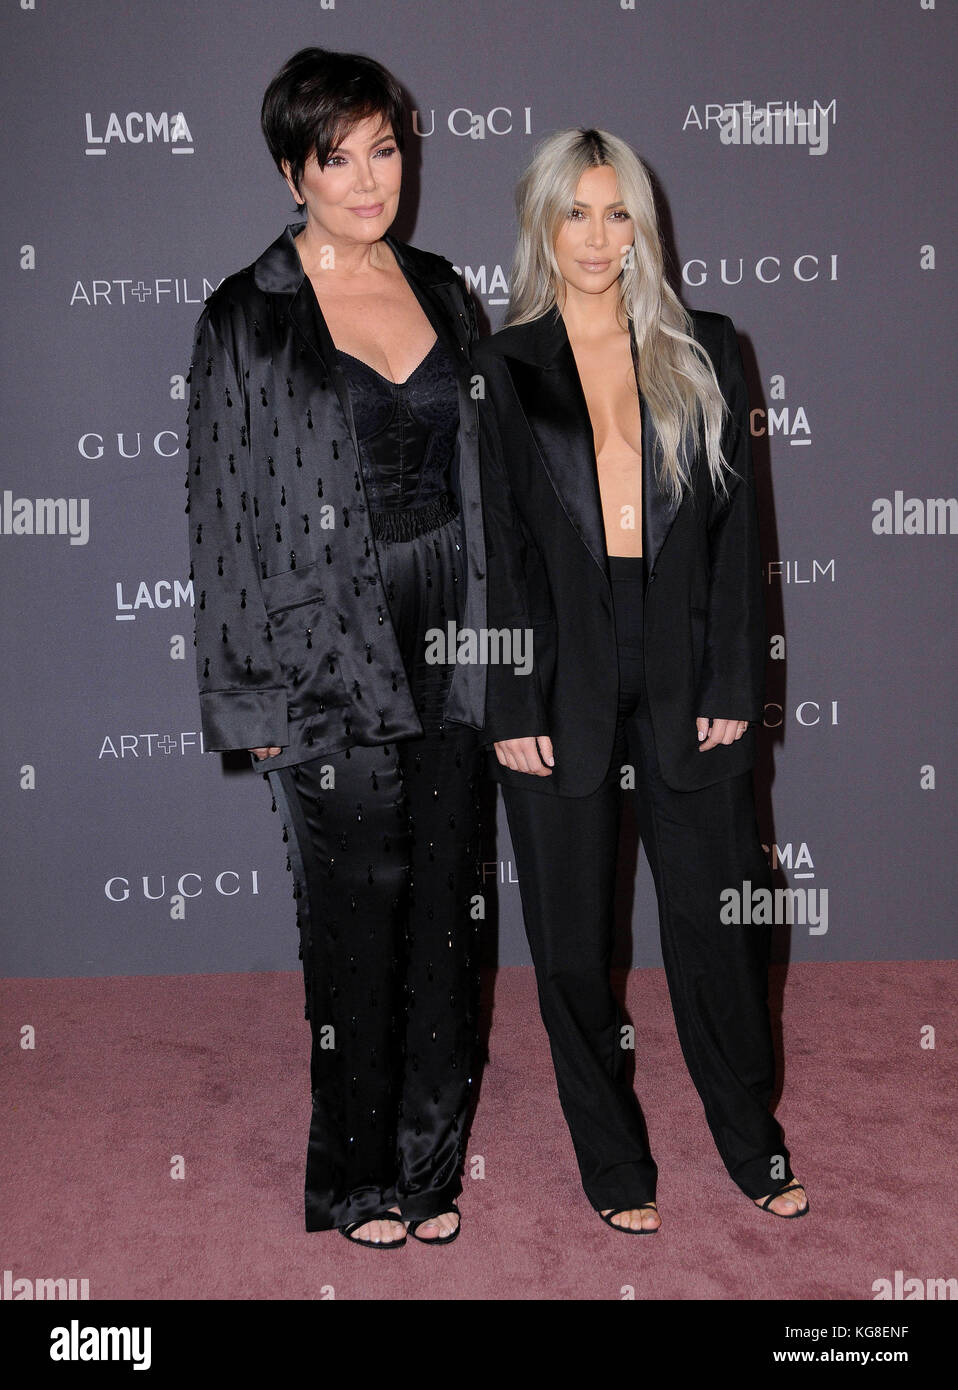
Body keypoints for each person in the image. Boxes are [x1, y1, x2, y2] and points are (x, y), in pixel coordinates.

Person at [475, 128, 808, 1233]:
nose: (597, 236)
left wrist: (729, 678)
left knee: (719, 922)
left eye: (618, 213)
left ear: (643, 226)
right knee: (572, 942)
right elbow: (498, 548)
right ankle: (612, 1159)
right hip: (559, 671)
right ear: (542, 222)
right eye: (576, 211)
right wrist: (511, 697)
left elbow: (733, 534)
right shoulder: (503, 364)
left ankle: (749, 1134)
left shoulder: (706, 346)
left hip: (684, 665)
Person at [185, 47, 489, 1248]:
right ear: (289, 172)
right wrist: (245, 686)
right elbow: (219, 515)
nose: (370, 181)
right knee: (356, 908)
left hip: (456, 621)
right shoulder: (245, 313)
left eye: (385, 150)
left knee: (451, 906)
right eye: (338, 158)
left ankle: (430, 1163)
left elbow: (488, 475)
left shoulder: (444, 285)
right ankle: (357, 1177)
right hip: (325, 640)